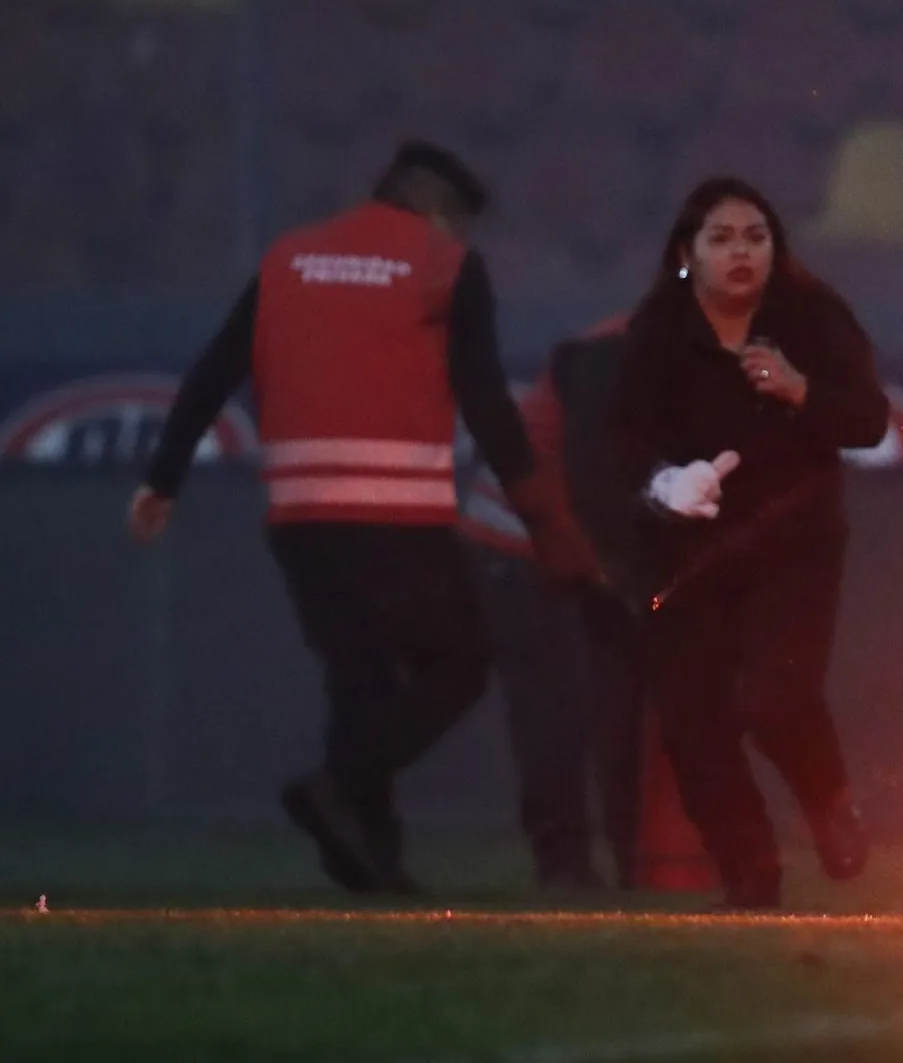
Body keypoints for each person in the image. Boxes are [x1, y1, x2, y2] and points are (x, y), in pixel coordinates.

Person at [129, 140, 599, 893]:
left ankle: (374, 863)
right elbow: (487, 405)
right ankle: (338, 787)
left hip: (298, 516)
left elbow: (215, 370)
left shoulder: (288, 259)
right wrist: (546, 523)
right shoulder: (446, 265)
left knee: (358, 681)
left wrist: (163, 478)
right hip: (395, 512)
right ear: (441, 212)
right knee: (459, 666)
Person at [610, 177, 891, 909]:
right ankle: (750, 874)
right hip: (688, 552)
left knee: (776, 697)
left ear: (776, 248)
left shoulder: (813, 315)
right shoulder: (657, 330)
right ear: (687, 254)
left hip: (794, 543)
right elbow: (620, 443)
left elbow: (868, 421)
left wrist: (801, 390)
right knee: (692, 721)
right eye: (723, 239)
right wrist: (665, 483)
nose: (741, 253)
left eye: (756, 238)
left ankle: (829, 803)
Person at [457, 315, 643, 893]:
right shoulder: (617, 352)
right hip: (523, 539)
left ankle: (629, 861)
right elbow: (589, 471)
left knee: (616, 708)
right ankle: (566, 863)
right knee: (558, 707)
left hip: (577, 541)